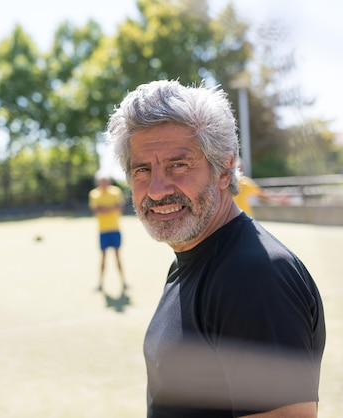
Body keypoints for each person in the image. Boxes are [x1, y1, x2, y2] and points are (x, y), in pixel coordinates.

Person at [108, 80, 325, 417]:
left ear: (224, 170)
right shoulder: (191, 262)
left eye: (178, 165)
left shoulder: (253, 277)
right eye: (142, 169)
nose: (157, 188)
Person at [88, 171, 127, 292]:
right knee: (103, 258)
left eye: (106, 181)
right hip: (103, 231)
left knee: (118, 257)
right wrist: (112, 208)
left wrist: (104, 209)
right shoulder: (94, 194)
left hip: (115, 230)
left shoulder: (116, 191)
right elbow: (96, 210)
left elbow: (120, 207)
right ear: (98, 182)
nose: (104, 183)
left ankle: (124, 282)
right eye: (102, 181)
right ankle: (100, 284)